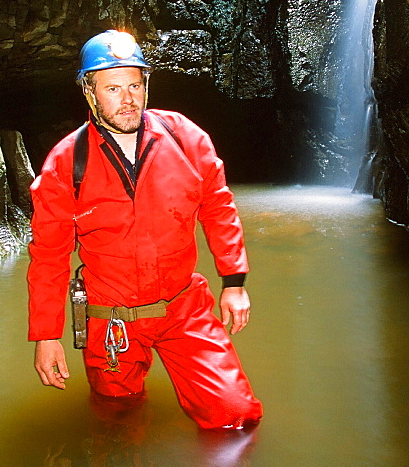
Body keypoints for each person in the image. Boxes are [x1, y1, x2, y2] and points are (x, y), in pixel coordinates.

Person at [27, 29, 263, 430]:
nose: (128, 98)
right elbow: (49, 254)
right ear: (90, 92)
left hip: (182, 306)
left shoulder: (184, 138)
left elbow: (218, 206)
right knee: (117, 417)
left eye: (135, 84)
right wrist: (46, 337)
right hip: (111, 316)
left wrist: (234, 281)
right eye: (113, 87)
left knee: (235, 418)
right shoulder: (68, 161)